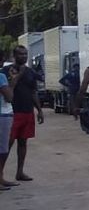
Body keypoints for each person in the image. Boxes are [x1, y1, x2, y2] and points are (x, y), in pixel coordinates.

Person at [3, 45, 45, 182]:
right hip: (12, 112)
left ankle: (20, 172)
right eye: (21, 54)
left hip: (27, 111)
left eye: (25, 54)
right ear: (14, 56)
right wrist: (17, 76)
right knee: (6, 145)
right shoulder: (5, 71)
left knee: (23, 142)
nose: (24, 57)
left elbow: (33, 92)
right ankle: (1, 175)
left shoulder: (30, 72)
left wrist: (39, 110)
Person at [0, 47, 16, 190]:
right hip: (2, 114)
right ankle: (0, 178)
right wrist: (13, 80)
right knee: (3, 149)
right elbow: (9, 97)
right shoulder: (1, 77)